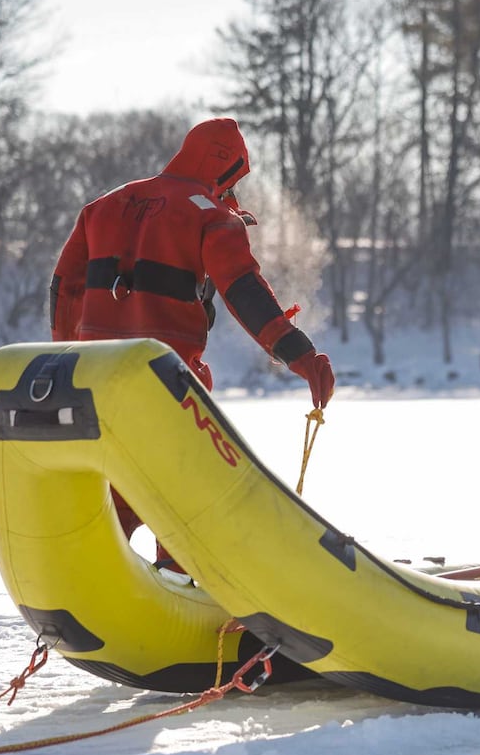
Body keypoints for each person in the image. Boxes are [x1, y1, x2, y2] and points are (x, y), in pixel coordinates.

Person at [50, 116, 335, 570]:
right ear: (226, 164)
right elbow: (243, 287)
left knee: (115, 502)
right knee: (185, 504)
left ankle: (92, 596)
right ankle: (183, 598)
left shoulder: (101, 207)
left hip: (93, 383)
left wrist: (65, 357)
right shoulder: (209, 214)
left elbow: (64, 289)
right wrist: (300, 354)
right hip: (166, 385)